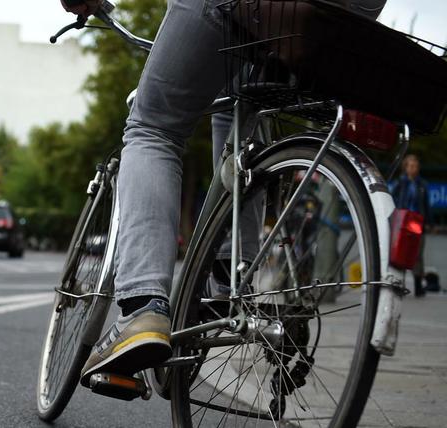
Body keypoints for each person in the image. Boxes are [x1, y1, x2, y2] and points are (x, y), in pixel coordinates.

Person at [57, 0, 387, 378]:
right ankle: (227, 278)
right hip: (347, 11)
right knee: (238, 103)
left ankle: (142, 308)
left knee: (155, 127)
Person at [389, 154, 430, 297]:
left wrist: (428, 222)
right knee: (401, 253)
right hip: (403, 222)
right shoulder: (400, 183)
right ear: (405, 167)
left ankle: (418, 286)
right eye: (410, 166)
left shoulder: (422, 185)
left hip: (417, 221)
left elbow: (426, 205)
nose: (413, 169)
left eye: (416, 166)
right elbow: (393, 199)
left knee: (418, 254)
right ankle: (400, 284)